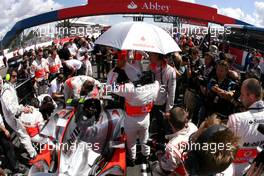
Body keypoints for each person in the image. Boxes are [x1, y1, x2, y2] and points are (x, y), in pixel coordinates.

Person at [109, 71, 160, 166]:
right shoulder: (155, 87)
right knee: (145, 138)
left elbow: (111, 87)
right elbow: (156, 82)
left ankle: (132, 159)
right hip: (145, 118)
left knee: (131, 142)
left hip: (131, 120)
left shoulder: (130, 88)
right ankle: (146, 156)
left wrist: (114, 72)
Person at [227, 78, 264, 175]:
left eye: (242, 95)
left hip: (230, 170)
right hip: (253, 170)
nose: (240, 97)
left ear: (251, 96)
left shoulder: (236, 119)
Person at [0, 74, 37, 159]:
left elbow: (14, 104)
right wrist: (23, 109)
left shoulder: (9, 87)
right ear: (9, 76)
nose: (16, 78)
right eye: (13, 76)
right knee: (24, 134)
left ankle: (24, 147)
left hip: (14, 115)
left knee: (23, 133)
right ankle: (33, 155)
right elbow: (12, 109)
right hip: (12, 117)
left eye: (16, 76)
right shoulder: (6, 92)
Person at [152, 107, 198, 175]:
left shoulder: (171, 146)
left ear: (170, 124)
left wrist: (159, 153)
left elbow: (167, 168)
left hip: (185, 171)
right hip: (195, 165)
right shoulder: (193, 126)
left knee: (156, 168)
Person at [149, 52, 177, 143]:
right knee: (147, 126)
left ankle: (161, 147)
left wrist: (168, 110)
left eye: (151, 54)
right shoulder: (150, 67)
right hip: (149, 102)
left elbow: (172, 91)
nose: (149, 55)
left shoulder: (170, 71)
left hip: (161, 104)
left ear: (157, 55)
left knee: (162, 128)